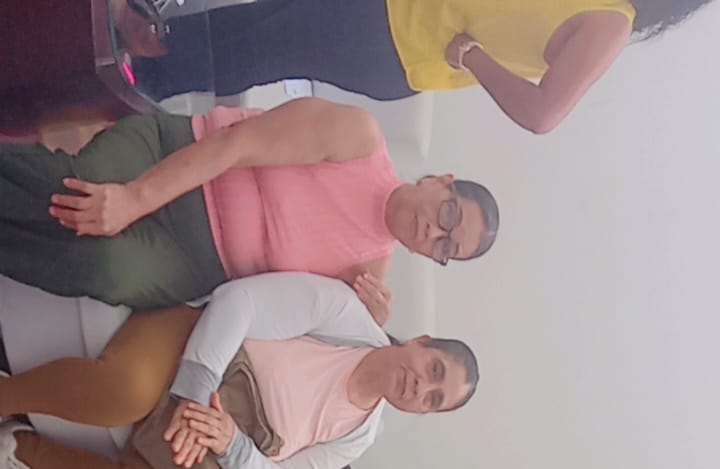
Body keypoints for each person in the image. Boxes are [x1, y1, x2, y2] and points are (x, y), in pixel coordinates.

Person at [0, 272, 478, 469]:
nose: (421, 387)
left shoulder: (358, 436)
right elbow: (239, 302)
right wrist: (193, 393)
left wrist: (230, 442)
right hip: (200, 350)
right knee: (125, 393)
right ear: (420, 341)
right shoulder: (345, 315)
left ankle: (20, 448)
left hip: (223, 435)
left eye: (433, 400)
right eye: (434, 370)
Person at [0, 98, 499, 314]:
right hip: (176, 154)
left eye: (445, 247)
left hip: (192, 261)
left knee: (102, 268)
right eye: (449, 215)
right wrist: (134, 199)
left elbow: (288, 326)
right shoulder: (358, 138)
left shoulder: (366, 276)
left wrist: (365, 327)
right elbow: (235, 145)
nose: (433, 232)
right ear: (441, 182)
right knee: (81, 190)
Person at [118, 0, 715, 133]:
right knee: (251, 22)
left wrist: (472, 56)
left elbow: (543, 113)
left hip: (393, 47)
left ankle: (128, 81)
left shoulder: (612, 22)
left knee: (257, 49)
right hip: (384, 8)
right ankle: (138, 44)